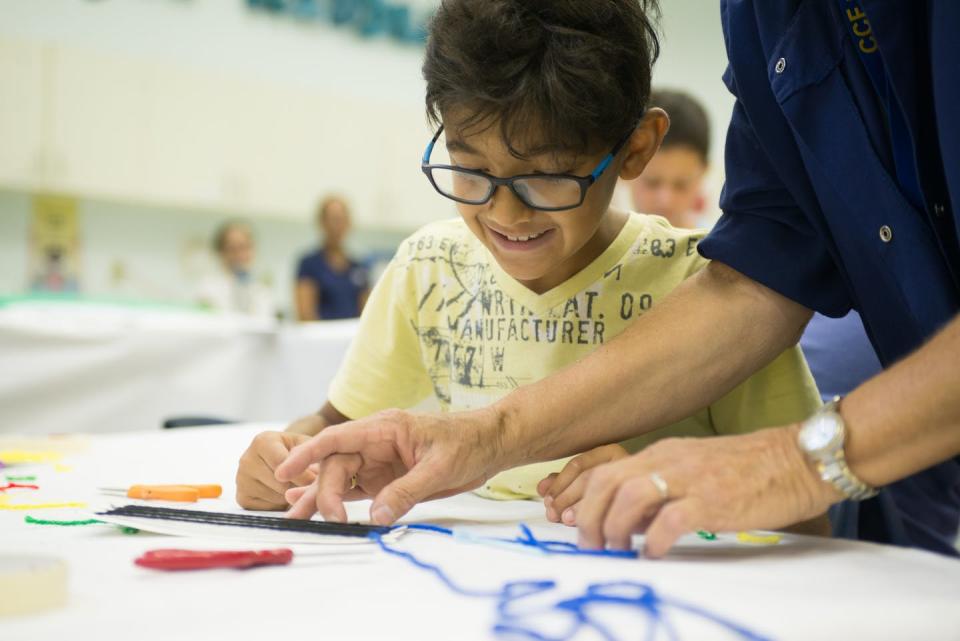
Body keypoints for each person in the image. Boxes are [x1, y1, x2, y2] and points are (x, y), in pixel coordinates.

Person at [274, 0, 960, 558]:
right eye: (472, 171)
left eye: (547, 176)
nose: (505, 211)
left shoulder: (671, 264)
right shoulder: (766, 18)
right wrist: (483, 438)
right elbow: (763, 270)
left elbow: (802, 522)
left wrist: (782, 464)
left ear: (633, 149)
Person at [625, 89, 711, 229]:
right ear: (625, 165)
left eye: (681, 185)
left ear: (704, 172)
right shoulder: (598, 248)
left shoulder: (716, 249)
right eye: (652, 182)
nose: (665, 201)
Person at [295, 196, 370, 321]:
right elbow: (306, 315)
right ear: (322, 223)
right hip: (321, 338)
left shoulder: (359, 268)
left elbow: (368, 314)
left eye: (342, 219)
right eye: (333, 219)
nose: (337, 225)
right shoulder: (309, 265)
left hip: (353, 337)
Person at [196, 220, 276, 319]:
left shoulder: (261, 289)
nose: (239, 255)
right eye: (232, 248)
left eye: (244, 247)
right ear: (220, 252)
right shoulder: (208, 287)